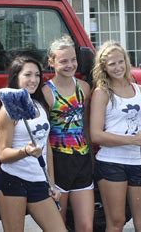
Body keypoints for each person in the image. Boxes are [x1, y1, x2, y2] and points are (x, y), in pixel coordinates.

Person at [90, 41, 141, 232]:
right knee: (116, 222)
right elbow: (96, 135)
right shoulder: (102, 93)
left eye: (121, 62)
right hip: (112, 163)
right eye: (112, 64)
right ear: (104, 67)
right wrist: (130, 140)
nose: (118, 67)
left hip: (138, 162)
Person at [0, 55, 66, 232]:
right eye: (27, 75)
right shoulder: (7, 111)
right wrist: (25, 151)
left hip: (39, 181)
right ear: (16, 77)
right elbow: (3, 155)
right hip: (13, 181)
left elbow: (46, 148)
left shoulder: (40, 105)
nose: (33, 80)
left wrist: (51, 183)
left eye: (37, 75)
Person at [42, 35, 93, 231]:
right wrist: (49, 174)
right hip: (58, 160)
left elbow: (86, 125)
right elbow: (43, 134)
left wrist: (90, 156)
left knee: (86, 226)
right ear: (51, 62)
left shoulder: (84, 88)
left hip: (81, 159)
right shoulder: (46, 92)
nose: (70, 65)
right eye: (63, 61)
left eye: (73, 60)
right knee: (58, 224)